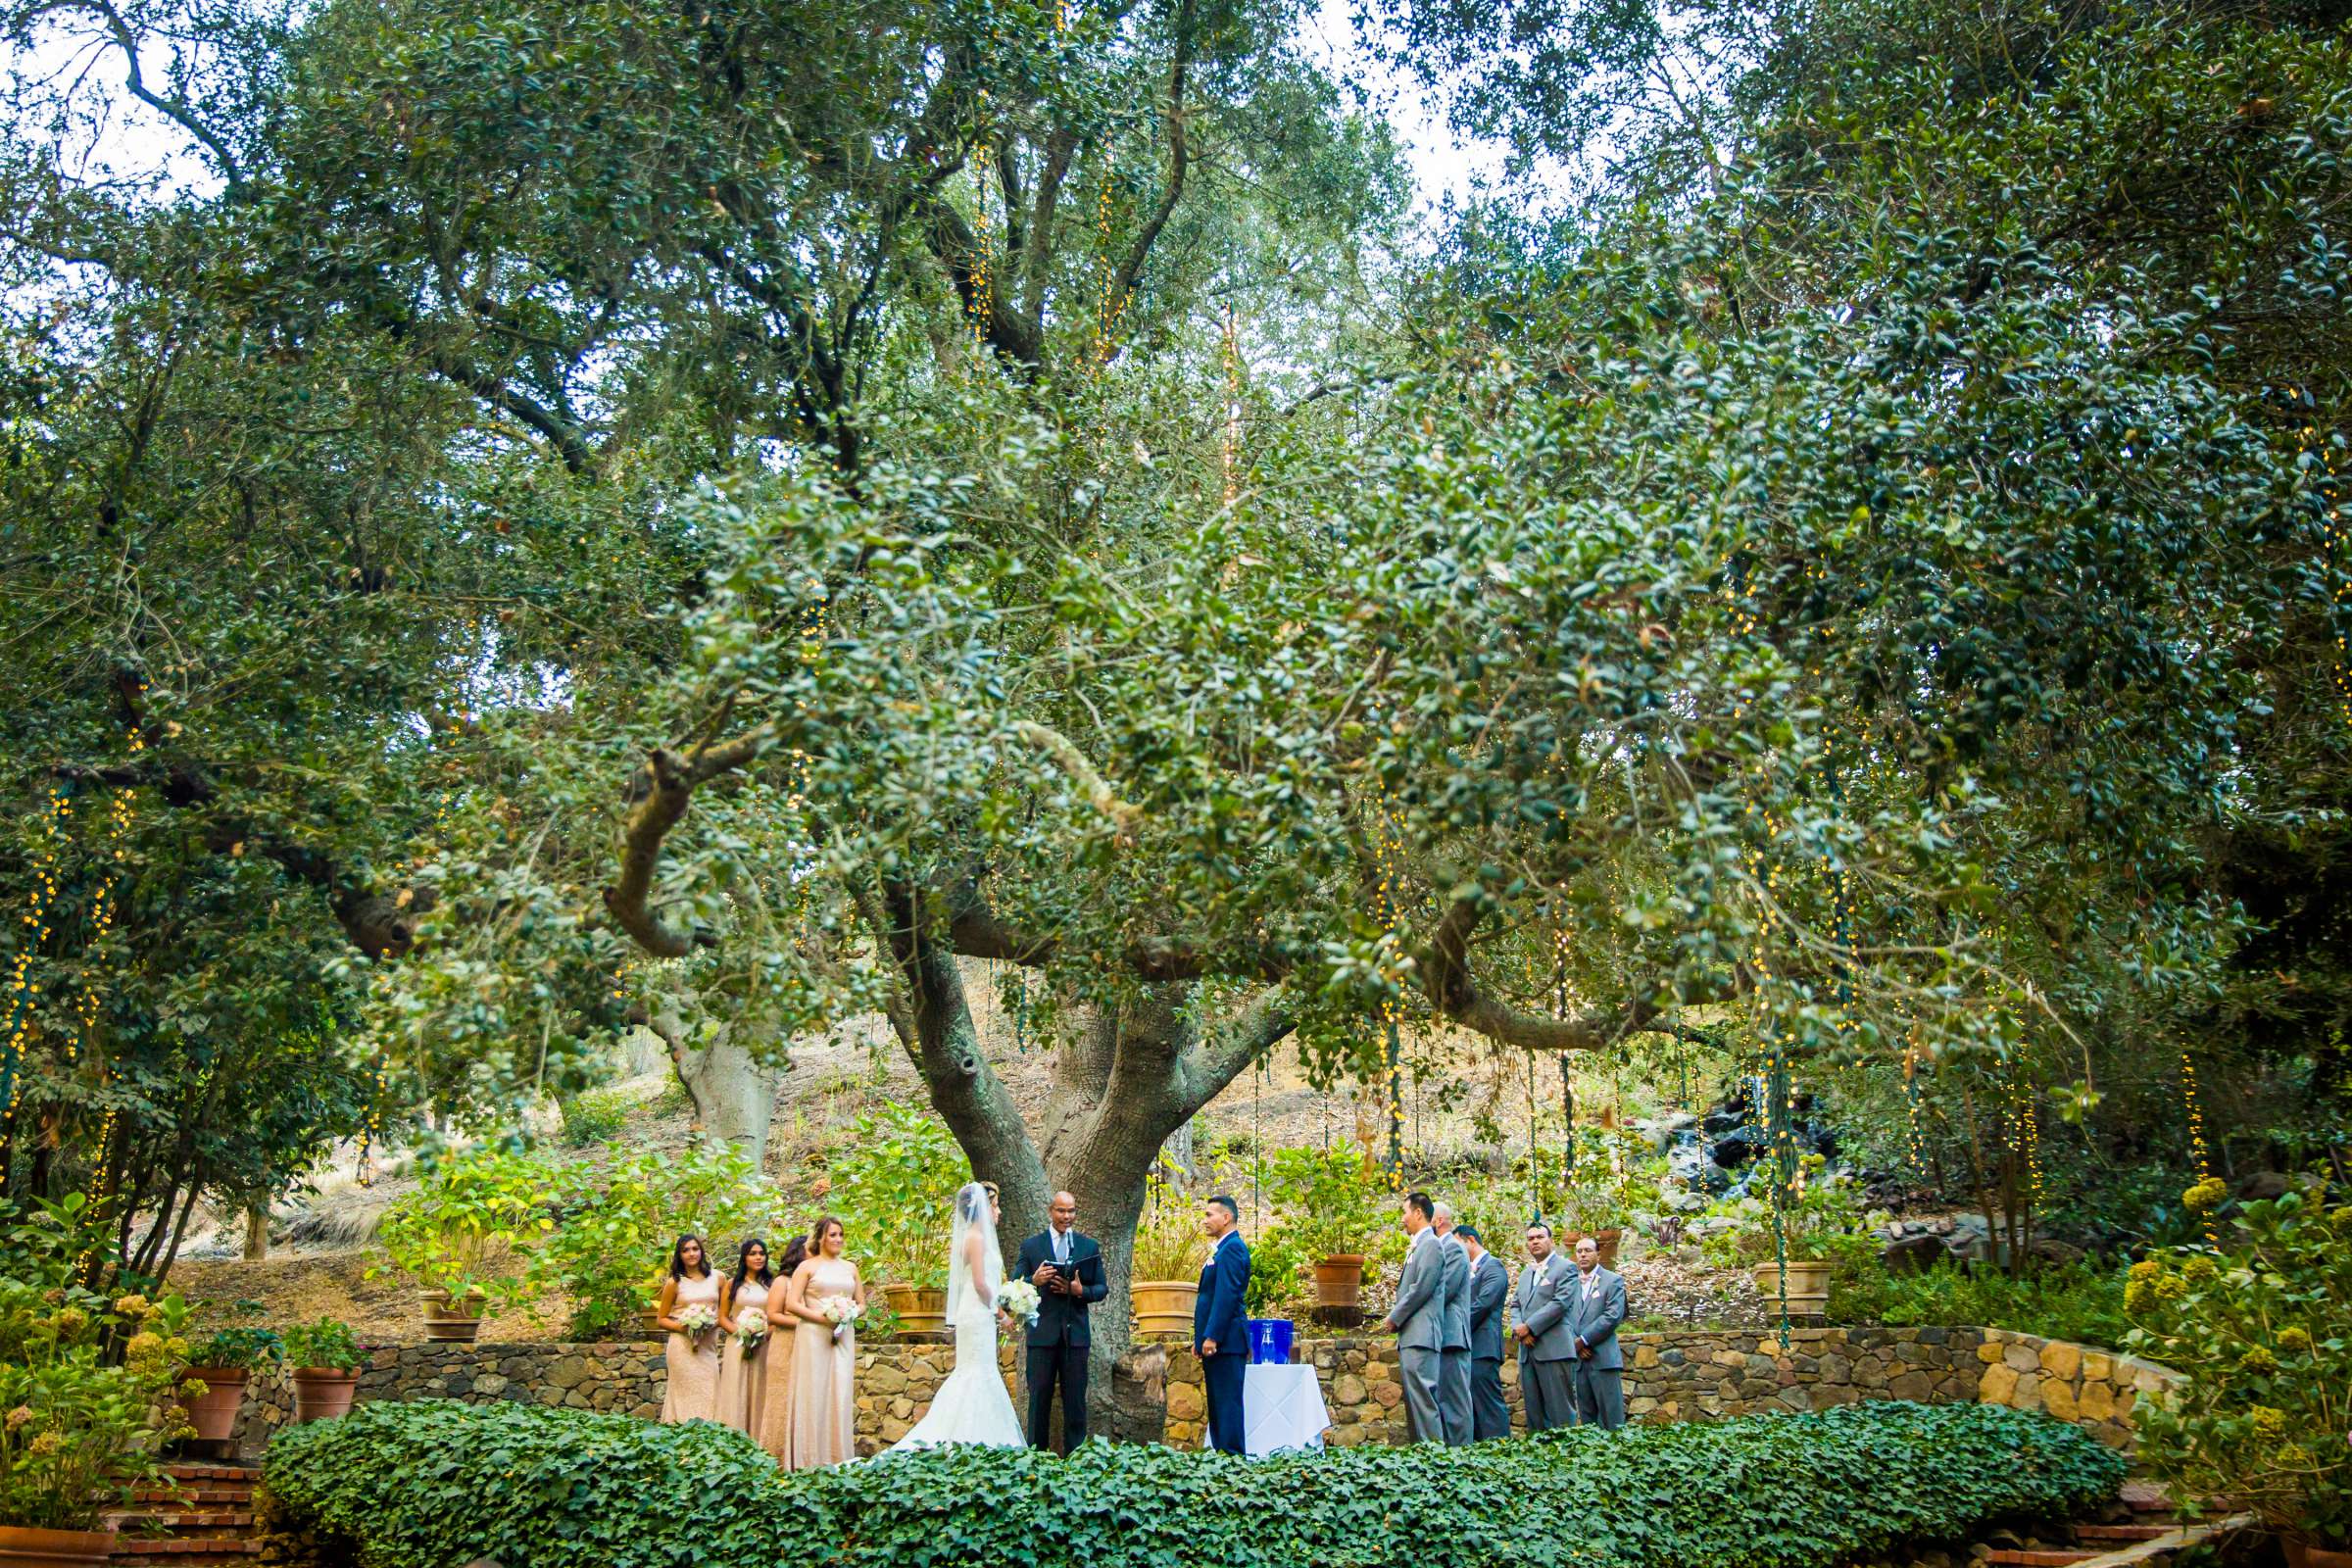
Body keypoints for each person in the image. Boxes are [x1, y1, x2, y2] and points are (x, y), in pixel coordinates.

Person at [889, 1182, 1026, 1451]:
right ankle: (964, 1438)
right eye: (995, 1206)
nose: (999, 1213)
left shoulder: (980, 1237)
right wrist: (1002, 1315)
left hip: (980, 1312)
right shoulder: (976, 1238)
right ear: (983, 1209)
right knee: (975, 1371)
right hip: (976, 1313)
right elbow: (980, 1283)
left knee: (982, 1371)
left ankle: (981, 1437)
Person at [1014, 1189, 1107, 1453]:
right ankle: (1036, 1458)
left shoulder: (1088, 1246)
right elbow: (1012, 1285)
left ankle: (1075, 1459)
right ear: (1050, 1211)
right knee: (1038, 1401)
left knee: (1076, 1402)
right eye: (1061, 1211)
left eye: (1071, 1211)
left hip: (1075, 1338)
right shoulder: (1031, 1246)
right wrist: (1035, 1281)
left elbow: (1102, 1288)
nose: (1067, 1216)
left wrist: (1081, 1292)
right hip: (1042, 1337)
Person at [778, 1216, 865, 1466]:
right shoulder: (807, 1267)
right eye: (832, 1235)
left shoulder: (850, 1268)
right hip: (813, 1335)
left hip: (842, 1334)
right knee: (813, 1392)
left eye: (840, 1234)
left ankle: (838, 1458)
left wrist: (848, 1314)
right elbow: (791, 1304)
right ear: (820, 1238)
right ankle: (808, 1459)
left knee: (839, 1391)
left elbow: (862, 1304)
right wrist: (822, 1317)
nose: (838, 1239)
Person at [1384, 1192, 1446, 1444]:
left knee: (1423, 1401)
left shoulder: (1431, 1245)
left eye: (1405, 1212)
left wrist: (1394, 1317)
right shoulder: (1420, 1245)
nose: (1403, 1219)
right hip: (1412, 1336)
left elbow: (1421, 1288)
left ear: (1418, 1213)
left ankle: (1435, 1460)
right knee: (1414, 1403)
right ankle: (1421, 1458)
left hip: (1421, 1336)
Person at [1193, 1194, 1250, 1455]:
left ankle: (1233, 1460)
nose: (1204, 1220)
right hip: (1216, 1342)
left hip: (1226, 1343)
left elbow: (1226, 1296)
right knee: (1217, 1405)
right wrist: (1200, 1338)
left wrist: (1212, 1336)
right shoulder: (1222, 1248)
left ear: (1226, 1218)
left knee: (1227, 1406)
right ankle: (1222, 1458)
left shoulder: (1234, 1248)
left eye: (1209, 1215)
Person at [1511, 1222, 1577, 1433]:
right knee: (1535, 1416)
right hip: (1528, 1352)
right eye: (1531, 1239)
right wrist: (1519, 1328)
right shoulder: (1525, 1274)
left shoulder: (1566, 1268)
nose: (1535, 1241)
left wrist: (1530, 1327)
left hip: (1554, 1350)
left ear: (1551, 1240)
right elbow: (1515, 1305)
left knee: (1561, 1415)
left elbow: (1560, 1303)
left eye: (1540, 1237)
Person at [656, 1234, 722, 1423]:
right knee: (684, 1396)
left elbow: (725, 1314)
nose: (691, 1253)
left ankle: (709, 1442)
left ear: (701, 1251)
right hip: (682, 1347)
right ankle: (681, 1440)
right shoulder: (674, 1282)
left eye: (695, 1249)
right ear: (679, 1255)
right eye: (686, 1250)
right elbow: (661, 1319)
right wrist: (686, 1328)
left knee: (710, 1391)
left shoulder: (718, 1278)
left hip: (707, 1345)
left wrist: (707, 1324)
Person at [713, 1237, 776, 1436]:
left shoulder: (772, 1284)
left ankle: (759, 1436)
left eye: (761, 1253)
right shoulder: (733, 1284)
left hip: (763, 1344)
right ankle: (733, 1435)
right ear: (744, 1258)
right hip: (737, 1343)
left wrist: (763, 1334)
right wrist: (741, 1333)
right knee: (736, 1388)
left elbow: (775, 1317)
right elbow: (722, 1317)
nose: (758, 1257)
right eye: (753, 1254)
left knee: (760, 1389)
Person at [756, 1231, 809, 1458]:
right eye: (812, 1248)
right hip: (784, 1345)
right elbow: (773, 1316)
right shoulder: (782, 1282)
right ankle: (775, 1455)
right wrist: (805, 1322)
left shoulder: (813, 1282)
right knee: (781, 1400)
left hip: (808, 1348)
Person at [1566, 1234, 1628, 1430]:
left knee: (1612, 1420)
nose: (1583, 1255)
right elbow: (1562, 1316)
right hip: (1580, 1362)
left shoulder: (1613, 1281)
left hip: (1604, 1360)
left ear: (1598, 1255)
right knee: (1587, 1420)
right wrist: (1574, 1343)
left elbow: (1612, 1316)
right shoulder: (1570, 1283)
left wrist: (1584, 1340)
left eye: (1588, 1250)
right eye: (1579, 1251)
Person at [1457, 1225, 1509, 1441]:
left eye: (1457, 1244)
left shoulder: (1493, 1266)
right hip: (1470, 1347)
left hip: (1484, 1347)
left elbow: (1485, 1303)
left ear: (1470, 1240)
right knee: (1473, 1405)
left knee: (1489, 1405)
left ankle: (1499, 1449)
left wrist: (1456, 1325)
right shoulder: (1467, 1270)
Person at [1430, 1202, 1472, 1446]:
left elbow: (1444, 1290)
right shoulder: (1438, 1247)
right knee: (1443, 1399)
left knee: (1455, 1402)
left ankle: (1461, 1454)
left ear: (1439, 1220)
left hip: (1452, 1335)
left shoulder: (1454, 1248)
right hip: (1440, 1334)